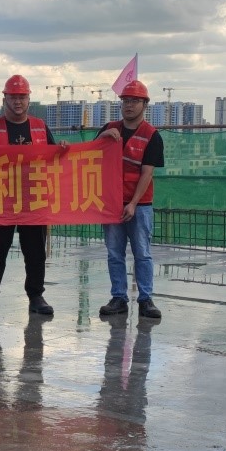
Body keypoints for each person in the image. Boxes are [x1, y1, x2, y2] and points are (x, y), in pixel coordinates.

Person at [0, 74, 58, 317]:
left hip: (33, 199)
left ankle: (36, 296)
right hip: (2, 200)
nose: (18, 101)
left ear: (29, 99)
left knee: (35, 252)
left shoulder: (40, 127)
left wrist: (63, 150)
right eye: (13, 97)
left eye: (22, 97)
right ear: (5, 99)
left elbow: (55, 160)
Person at [97, 80, 164, 319]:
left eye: (135, 101)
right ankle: (118, 297)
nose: (129, 105)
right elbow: (91, 154)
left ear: (145, 105)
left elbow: (147, 173)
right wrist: (103, 136)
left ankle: (145, 299)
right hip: (112, 203)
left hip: (140, 205)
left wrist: (133, 203)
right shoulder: (110, 128)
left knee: (142, 253)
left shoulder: (151, 136)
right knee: (114, 253)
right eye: (126, 100)